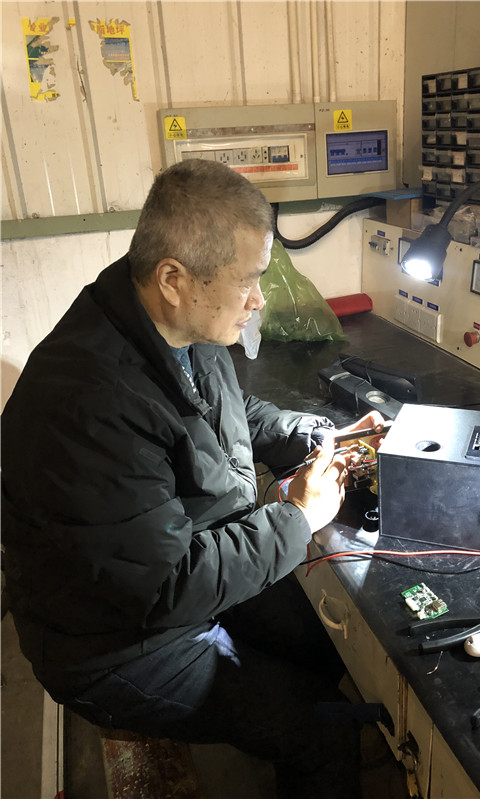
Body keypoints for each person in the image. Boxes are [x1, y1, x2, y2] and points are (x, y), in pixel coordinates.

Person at [2, 159, 385, 798]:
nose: (259, 300)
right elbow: (167, 585)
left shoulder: (174, 322)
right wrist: (298, 517)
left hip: (176, 572)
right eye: (249, 282)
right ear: (174, 278)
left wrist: (319, 434)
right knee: (322, 731)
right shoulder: (88, 403)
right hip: (116, 645)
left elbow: (227, 412)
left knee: (321, 649)